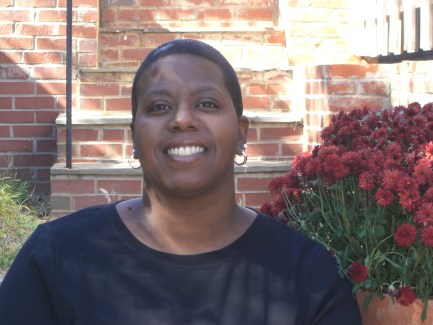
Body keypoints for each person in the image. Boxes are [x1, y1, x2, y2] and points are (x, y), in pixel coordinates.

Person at [0, 39, 362, 324]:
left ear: (241, 133)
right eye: (159, 107)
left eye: (206, 104)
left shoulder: (307, 275)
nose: (183, 120)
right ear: (133, 138)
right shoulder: (56, 257)